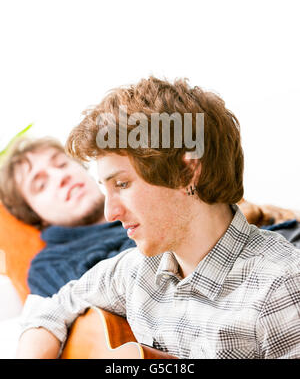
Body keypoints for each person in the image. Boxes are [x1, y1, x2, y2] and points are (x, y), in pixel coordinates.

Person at [16, 77, 300, 359]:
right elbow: (50, 309)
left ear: (187, 172)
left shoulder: (281, 288)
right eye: (106, 188)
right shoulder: (134, 271)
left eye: (123, 184)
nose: (110, 212)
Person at [0, 137, 135, 297]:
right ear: (34, 215)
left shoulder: (143, 203)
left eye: (62, 164)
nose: (61, 176)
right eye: (41, 185)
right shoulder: (48, 267)